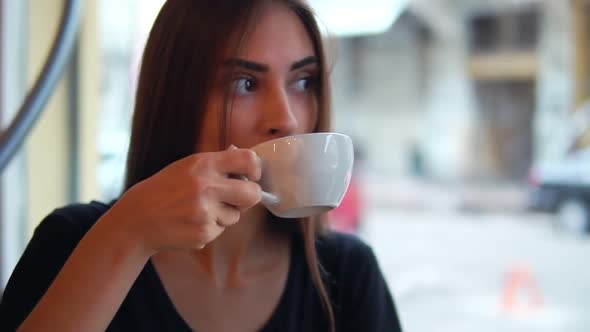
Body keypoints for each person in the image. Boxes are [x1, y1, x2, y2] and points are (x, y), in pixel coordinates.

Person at [0, 1, 402, 331]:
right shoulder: (75, 244)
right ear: (176, 99)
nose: (288, 119)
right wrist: (129, 234)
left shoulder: (347, 273)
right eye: (245, 83)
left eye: (303, 81)